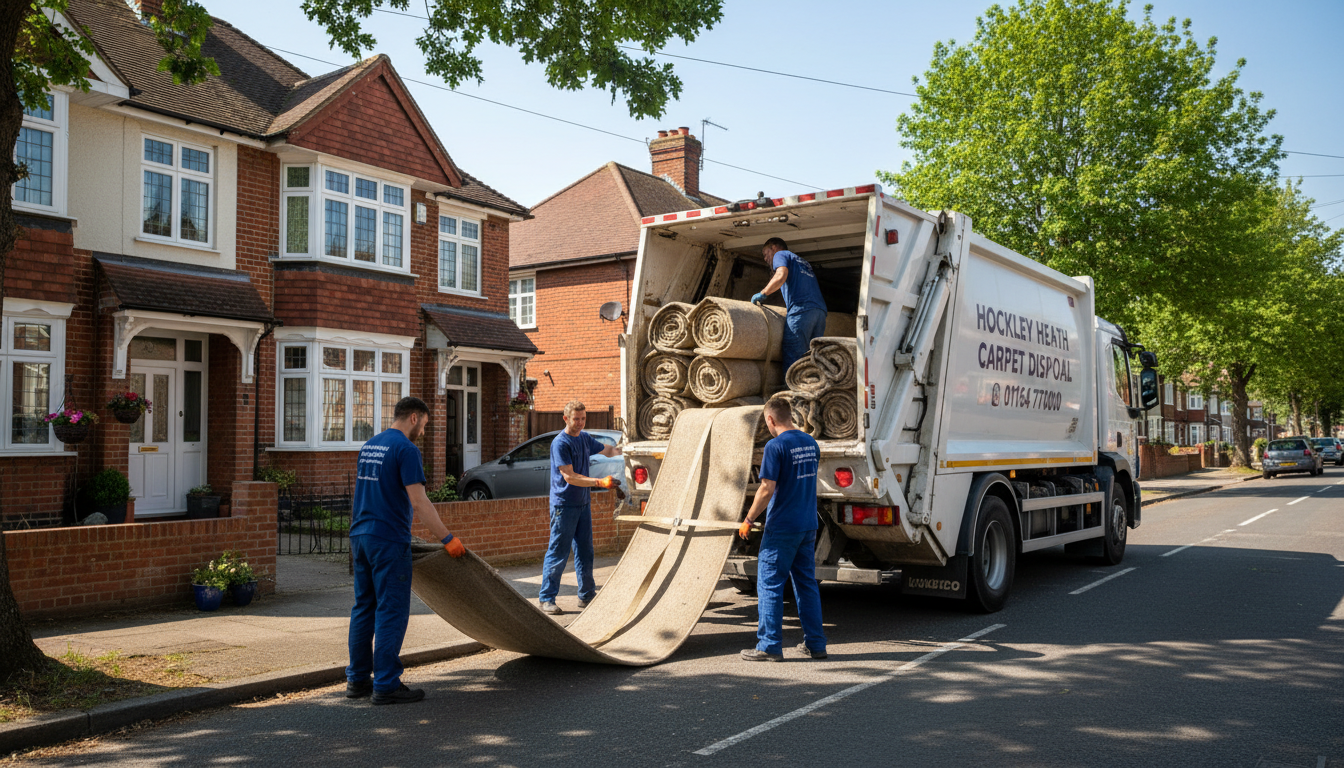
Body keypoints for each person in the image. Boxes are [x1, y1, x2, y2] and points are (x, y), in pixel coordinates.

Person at [346, 396, 467, 705]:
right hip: (388, 540)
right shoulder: (406, 449)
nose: (423, 432)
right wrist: (447, 538)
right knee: (391, 610)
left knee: (363, 608)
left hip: (360, 535)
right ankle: (385, 683)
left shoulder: (370, 445)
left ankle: (358, 680)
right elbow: (419, 501)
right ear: (414, 418)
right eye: (424, 425)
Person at [737, 397, 827, 661]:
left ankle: (769, 646)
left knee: (770, 584)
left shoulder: (775, 446)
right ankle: (816, 644)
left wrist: (749, 519)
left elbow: (766, 488)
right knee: (806, 584)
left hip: (782, 527)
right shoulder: (810, 443)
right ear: (791, 417)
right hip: (808, 525)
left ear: (770, 420)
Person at [538, 400, 623, 615]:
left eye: (583, 418)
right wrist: (599, 482)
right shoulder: (560, 443)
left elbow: (610, 450)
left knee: (586, 552)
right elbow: (570, 476)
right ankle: (546, 599)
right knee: (558, 552)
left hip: (583, 504)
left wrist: (630, 447)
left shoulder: (584, 438)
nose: (580, 423)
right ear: (566, 419)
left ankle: (586, 595)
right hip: (564, 505)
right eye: (576, 419)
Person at [751, 236, 829, 372]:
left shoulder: (780, 254)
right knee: (811, 358)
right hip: (819, 312)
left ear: (773, 248)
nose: (765, 259)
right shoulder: (801, 261)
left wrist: (763, 293)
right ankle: (811, 390)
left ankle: (791, 392)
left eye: (765, 254)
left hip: (801, 311)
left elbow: (781, 275)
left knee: (794, 356)